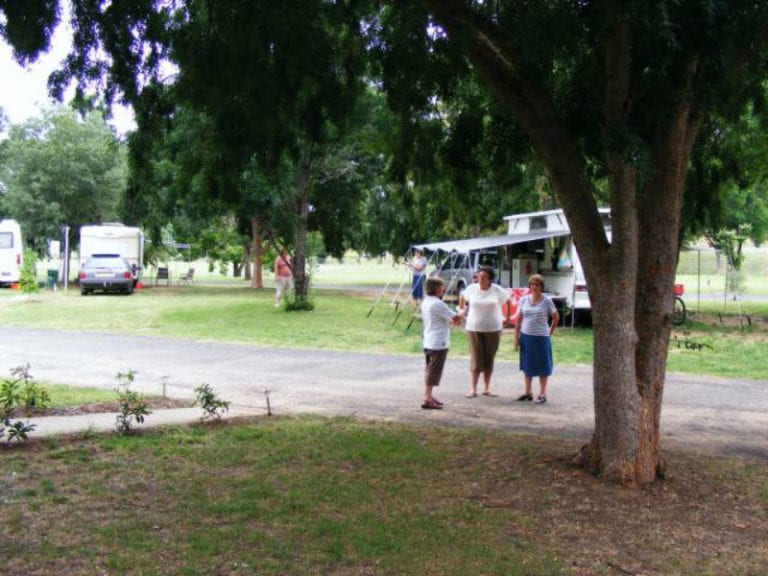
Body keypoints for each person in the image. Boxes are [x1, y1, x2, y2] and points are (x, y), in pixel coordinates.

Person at [458, 266, 511, 398]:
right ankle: (473, 389)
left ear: (490, 279)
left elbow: (508, 301)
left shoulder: (497, 290)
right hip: (474, 327)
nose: (480, 279)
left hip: (493, 328)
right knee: (476, 357)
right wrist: (461, 310)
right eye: (479, 276)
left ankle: (487, 388)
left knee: (489, 357)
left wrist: (508, 318)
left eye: (484, 277)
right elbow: (462, 297)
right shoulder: (472, 288)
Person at [513, 273, 559, 404]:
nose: (534, 287)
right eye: (532, 284)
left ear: (542, 287)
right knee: (527, 365)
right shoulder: (523, 300)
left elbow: (556, 317)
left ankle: (542, 393)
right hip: (526, 337)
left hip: (541, 338)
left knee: (543, 365)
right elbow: (518, 320)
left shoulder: (547, 300)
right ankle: (528, 392)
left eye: (537, 284)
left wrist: (549, 332)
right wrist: (516, 338)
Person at [420, 277, 462, 409]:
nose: (443, 290)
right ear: (437, 289)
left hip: (429, 339)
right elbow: (455, 319)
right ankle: (427, 397)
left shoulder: (426, 301)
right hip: (438, 341)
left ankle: (429, 395)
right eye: (442, 287)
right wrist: (462, 311)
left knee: (430, 369)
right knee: (434, 370)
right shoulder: (438, 304)